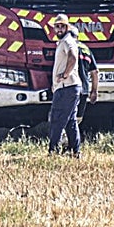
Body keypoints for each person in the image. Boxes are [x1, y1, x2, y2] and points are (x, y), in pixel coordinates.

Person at [46, 13, 82, 157]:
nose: (59, 29)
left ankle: (53, 150)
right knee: (70, 121)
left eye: (62, 26)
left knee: (57, 118)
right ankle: (75, 151)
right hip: (66, 87)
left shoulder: (68, 41)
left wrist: (65, 74)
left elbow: (73, 57)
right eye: (57, 26)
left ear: (67, 28)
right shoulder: (64, 42)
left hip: (67, 86)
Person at [75, 37, 99, 139]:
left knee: (68, 118)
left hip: (70, 87)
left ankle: (69, 144)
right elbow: (95, 72)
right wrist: (94, 91)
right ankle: (76, 143)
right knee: (78, 119)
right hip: (84, 89)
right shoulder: (86, 49)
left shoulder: (67, 46)